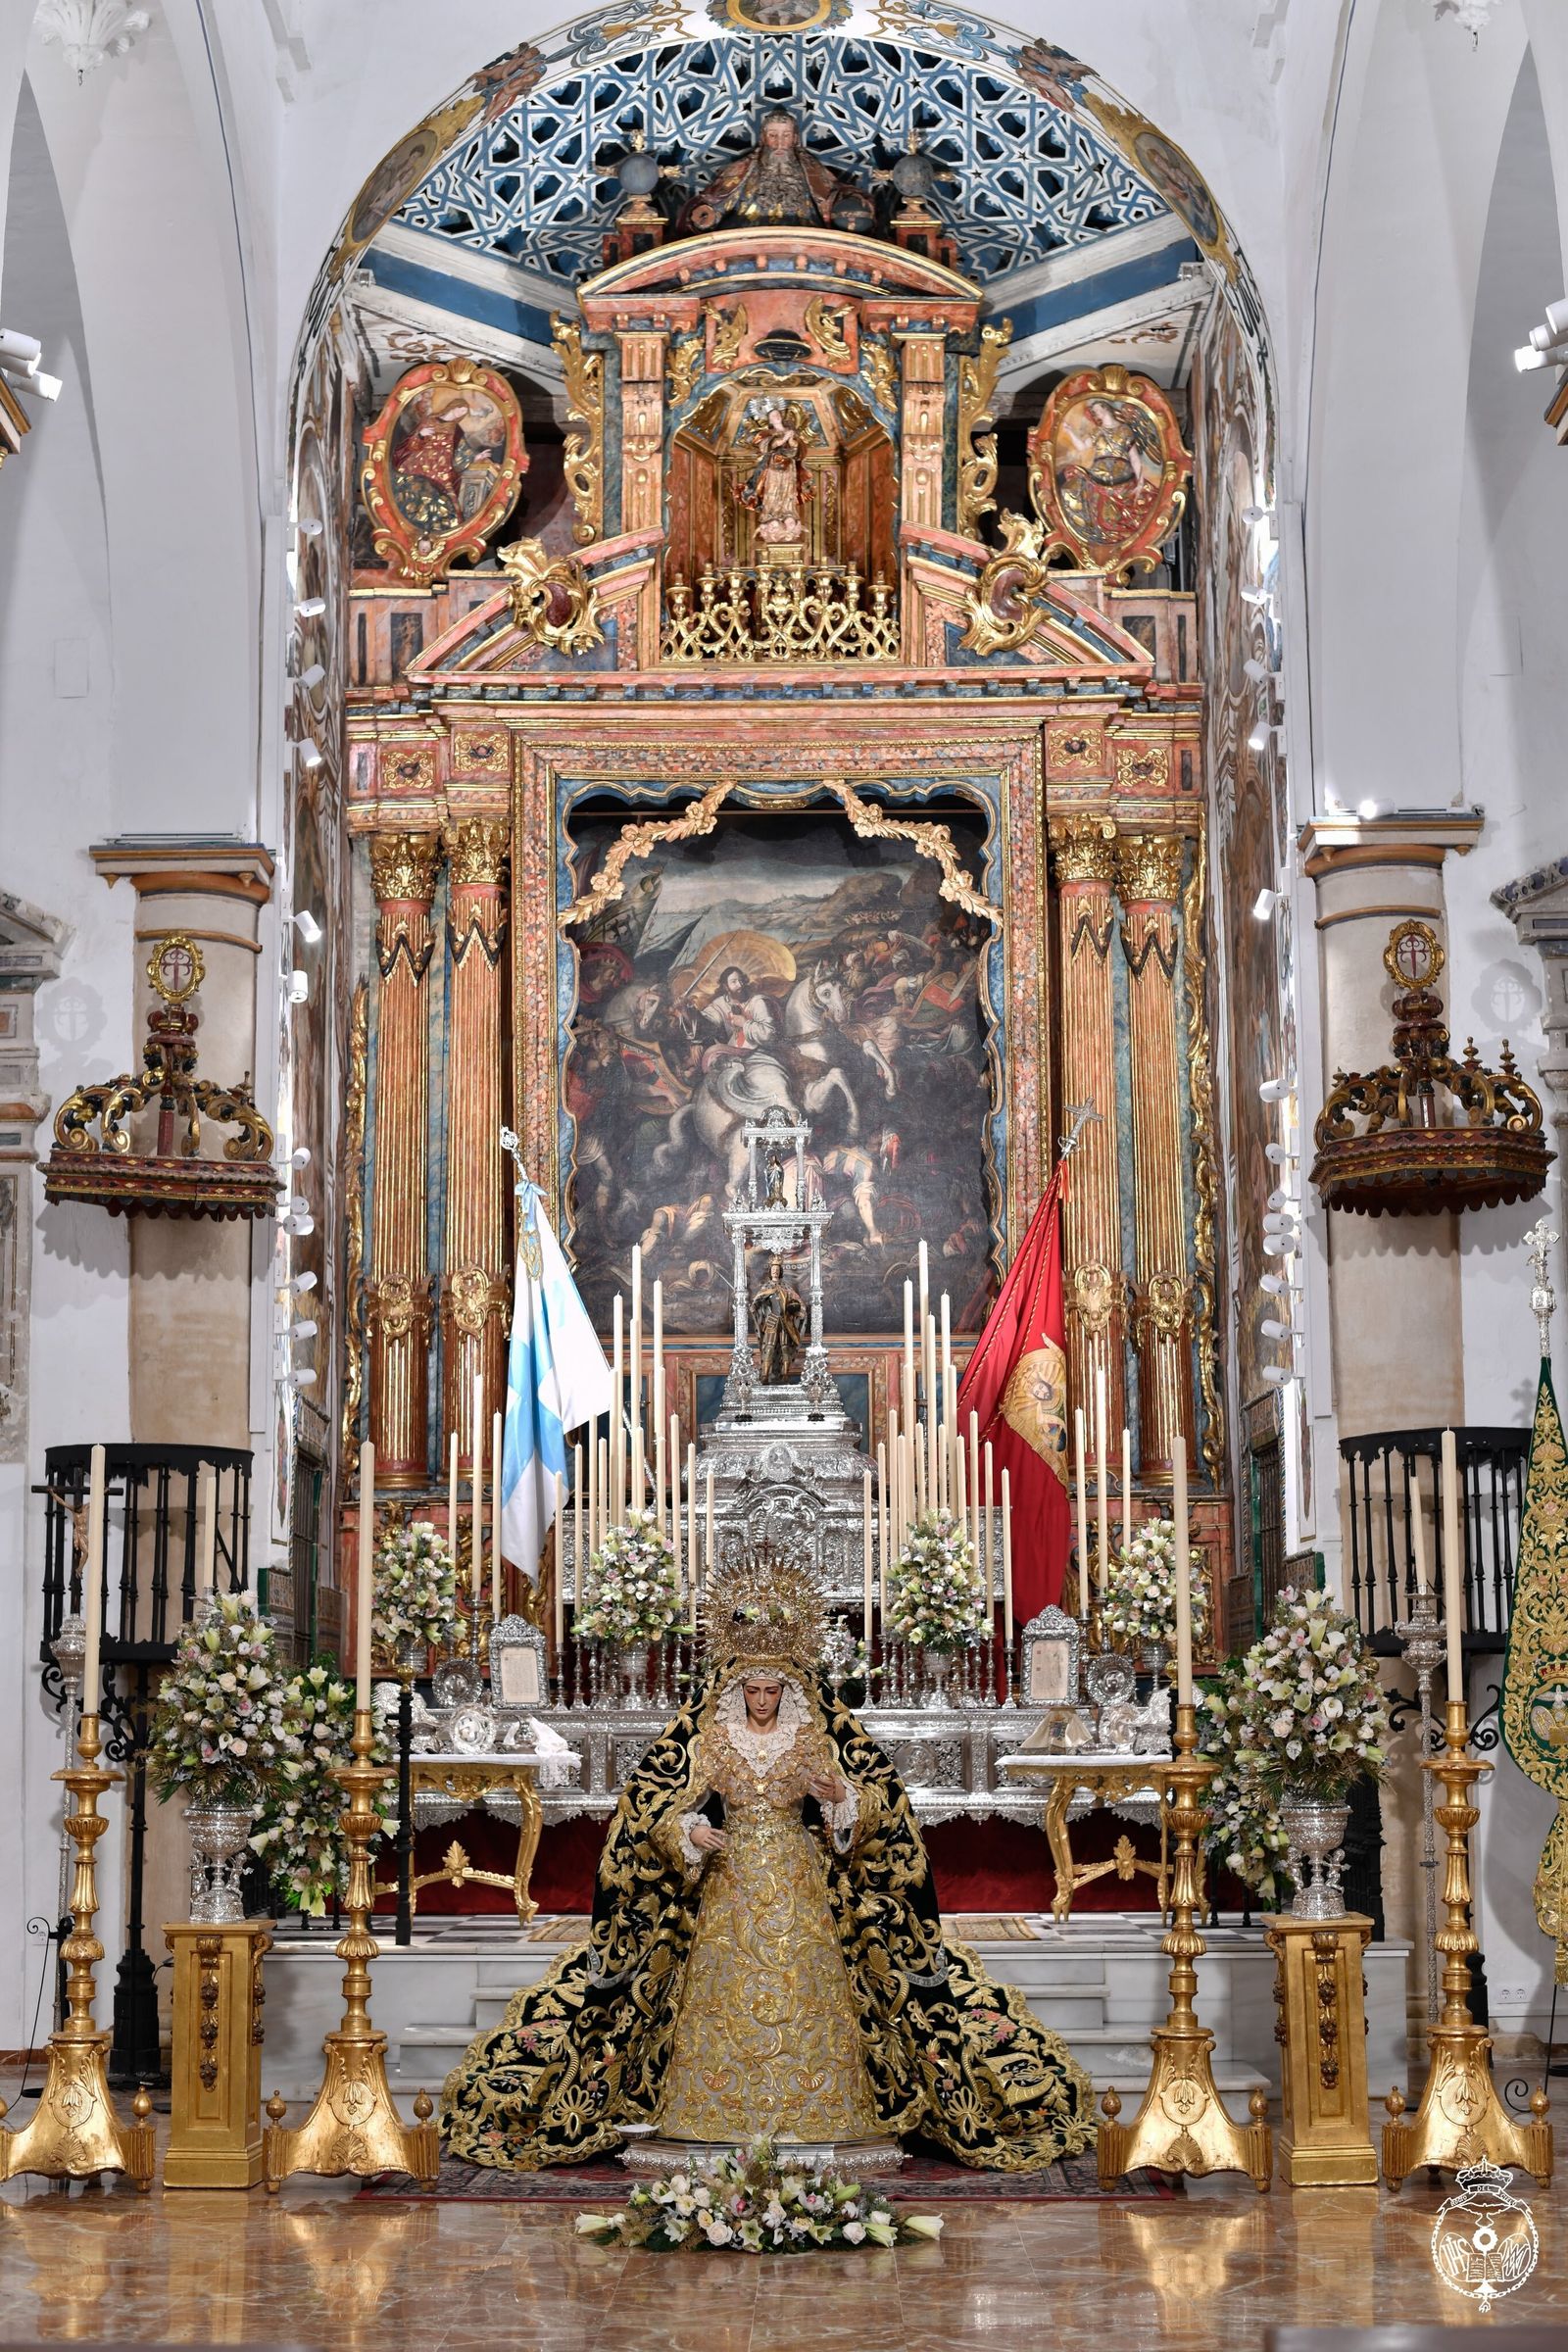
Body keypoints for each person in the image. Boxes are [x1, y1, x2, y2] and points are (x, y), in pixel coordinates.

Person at [440, 1548, 1097, 2171]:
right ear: (738, 1688)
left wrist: (842, 1801)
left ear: (786, 1688)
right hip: (730, 1879)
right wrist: (691, 1833)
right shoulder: (716, 1737)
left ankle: (824, 2108)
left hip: (797, 1871)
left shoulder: (810, 1735)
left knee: (809, 1981)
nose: (761, 1699)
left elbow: (864, 1804)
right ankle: (710, 2107)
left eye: (771, 1689)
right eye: (752, 1689)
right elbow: (665, 1806)